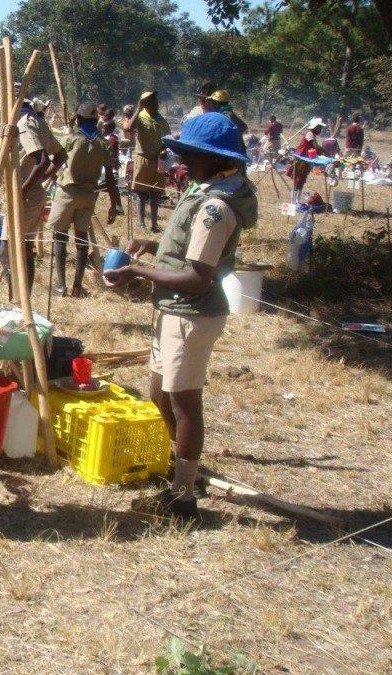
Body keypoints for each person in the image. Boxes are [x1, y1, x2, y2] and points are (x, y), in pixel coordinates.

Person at [103, 113, 258, 518]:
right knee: (160, 394)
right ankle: (180, 466)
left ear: (216, 159)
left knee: (184, 402)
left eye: (191, 154)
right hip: (172, 310)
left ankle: (183, 496)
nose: (183, 161)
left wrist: (136, 270)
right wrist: (153, 246)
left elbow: (196, 277)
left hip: (191, 314)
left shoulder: (216, 208)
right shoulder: (205, 189)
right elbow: (187, 252)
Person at [48, 103, 112, 298]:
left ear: (79, 119)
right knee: (81, 239)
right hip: (88, 194)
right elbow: (109, 176)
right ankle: (77, 286)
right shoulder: (104, 143)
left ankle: (61, 285)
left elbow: (57, 160)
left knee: (60, 236)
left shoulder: (70, 139)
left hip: (67, 192)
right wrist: (114, 203)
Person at [5, 94, 67, 295]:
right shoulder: (34, 120)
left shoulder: (25, 123)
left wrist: (24, 189)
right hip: (26, 192)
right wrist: (37, 181)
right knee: (18, 247)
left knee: (14, 249)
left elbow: (43, 161)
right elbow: (60, 156)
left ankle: (20, 300)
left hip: (25, 195)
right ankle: (20, 299)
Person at [131, 90, 170, 233]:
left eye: (156, 101)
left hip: (157, 161)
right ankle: (141, 224)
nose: (156, 104)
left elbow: (167, 139)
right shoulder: (140, 117)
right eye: (152, 101)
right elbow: (128, 127)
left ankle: (154, 224)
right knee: (140, 193)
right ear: (145, 104)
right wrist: (138, 109)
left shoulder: (161, 119)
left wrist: (164, 150)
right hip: (143, 159)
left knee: (156, 193)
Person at [287, 118, 324, 204]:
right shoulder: (309, 134)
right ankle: (293, 202)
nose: (321, 130)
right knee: (298, 180)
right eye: (320, 128)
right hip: (300, 160)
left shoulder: (313, 135)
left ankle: (297, 200)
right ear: (315, 127)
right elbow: (315, 146)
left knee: (302, 181)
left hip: (306, 160)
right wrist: (324, 151)